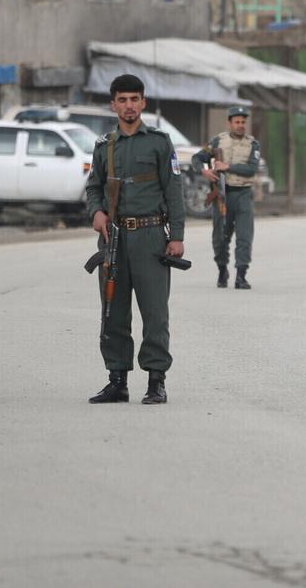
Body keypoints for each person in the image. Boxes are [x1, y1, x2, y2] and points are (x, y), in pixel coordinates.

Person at [84, 74, 185, 406]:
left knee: (154, 312)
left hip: (151, 236)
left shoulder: (159, 142)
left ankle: (156, 380)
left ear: (143, 103)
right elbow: (94, 187)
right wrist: (96, 213)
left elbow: (174, 191)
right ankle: (117, 380)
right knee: (113, 311)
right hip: (113, 239)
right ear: (113, 104)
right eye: (122, 100)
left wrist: (177, 237)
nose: (129, 106)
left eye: (134, 99)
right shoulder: (104, 146)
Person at [191, 105, 261, 290]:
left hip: (243, 194)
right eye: (237, 122)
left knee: (244, 237)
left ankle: (241, 275)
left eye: (243, 122)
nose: (240, 125)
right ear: (229, 123)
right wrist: (204, 172)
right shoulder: (217, 141)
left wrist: (227, 166)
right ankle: (222, 269)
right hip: (222, 195)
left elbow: (252, 169)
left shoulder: (252, 144)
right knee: (220, 237)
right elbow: (197, 158)